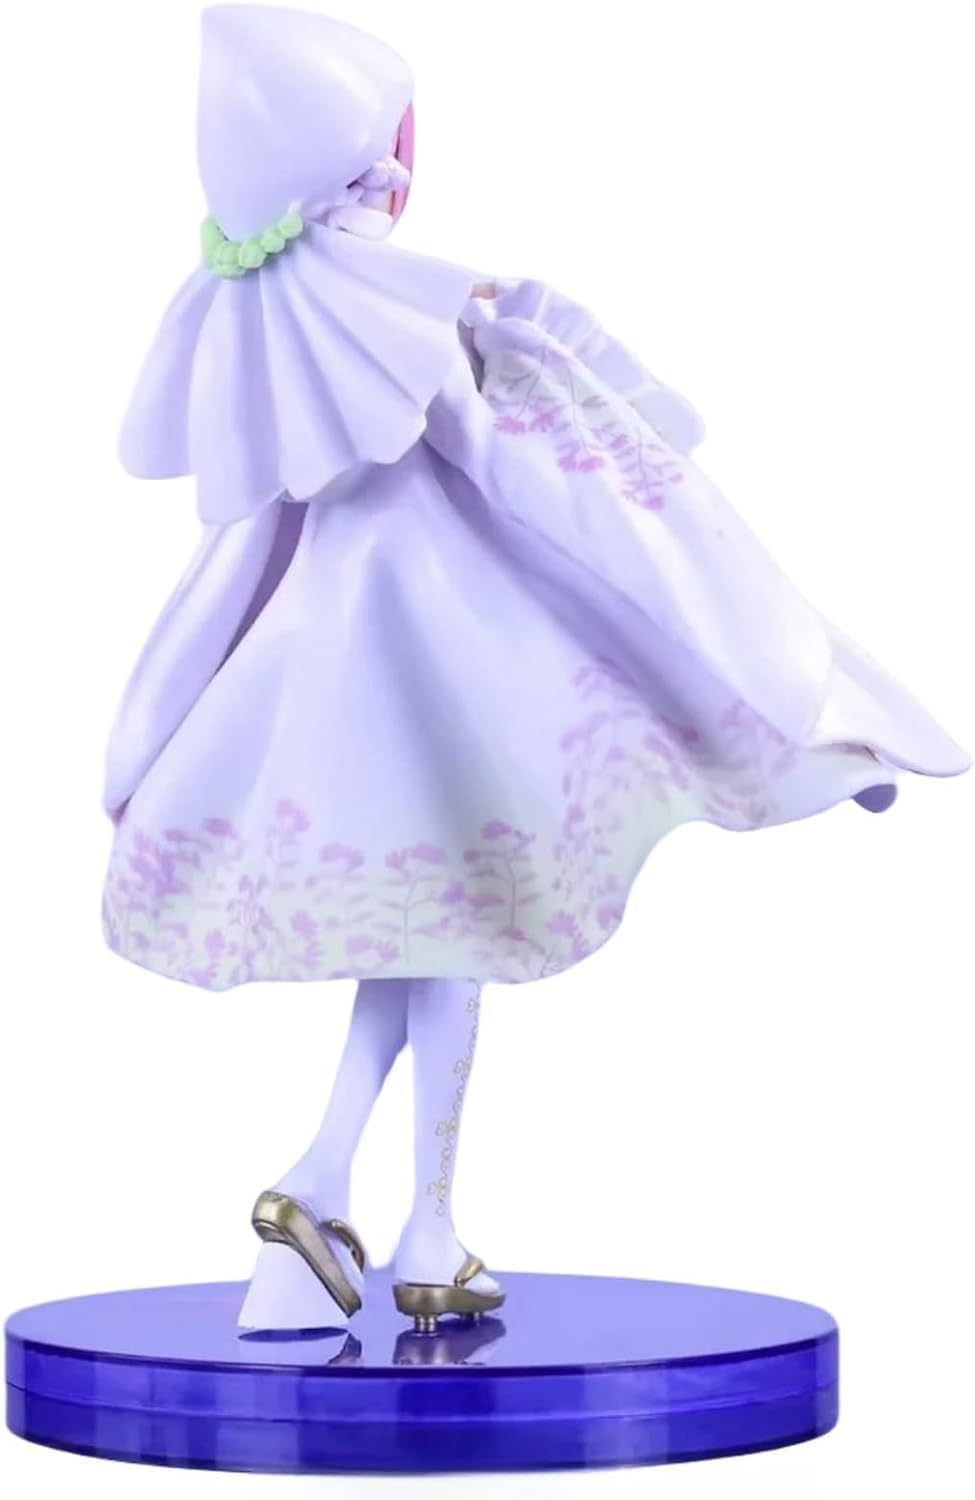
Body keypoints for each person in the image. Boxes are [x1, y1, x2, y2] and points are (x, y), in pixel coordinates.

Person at [103, 5, 969, 1331]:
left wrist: (163, 714)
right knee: (454, 938)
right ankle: (416, 1226)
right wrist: (710, 618)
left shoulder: (280, 323)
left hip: (333, 699)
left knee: (419, 940)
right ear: (368, 166)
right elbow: (552, 485)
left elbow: (243, 541)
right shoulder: (406, 318)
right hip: (440, 681)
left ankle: (329, 1189)